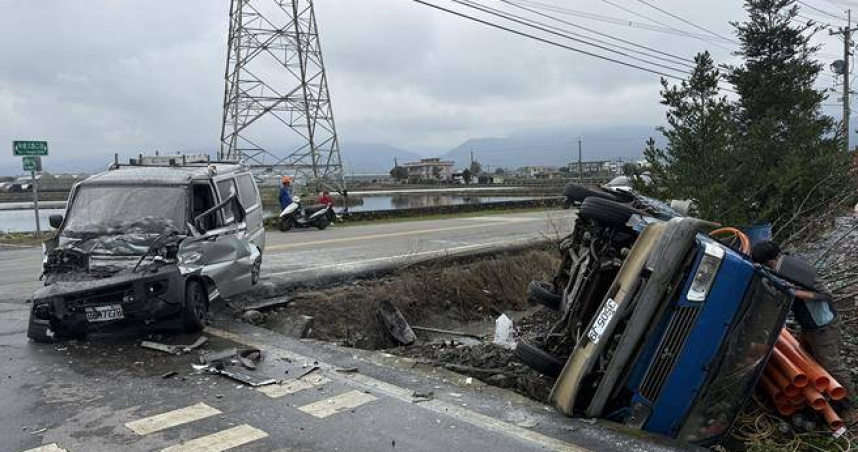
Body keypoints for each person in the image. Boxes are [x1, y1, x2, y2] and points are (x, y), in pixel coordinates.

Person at [752, 241, 857, 423]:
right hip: (809, 324)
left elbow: (826, 295)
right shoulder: (782, 267)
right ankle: (828, 396)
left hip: (823, 325)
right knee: (810, 358)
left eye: (769, 265)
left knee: (832, 364)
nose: (771, 268)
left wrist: (795, 293)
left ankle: (852, 406)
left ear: (774, 259)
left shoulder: (795, 269)